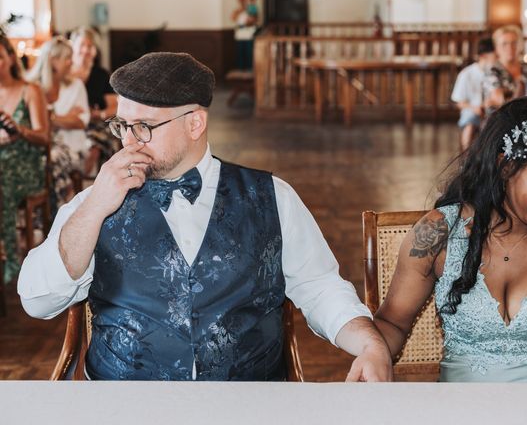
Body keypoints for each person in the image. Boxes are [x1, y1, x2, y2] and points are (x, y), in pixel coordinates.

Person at [18, 52, 392, 382]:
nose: (128, 141)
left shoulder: (271, 197)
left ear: (195, 123)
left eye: (144, 127)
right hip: (125, 406)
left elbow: (321, 288)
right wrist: (95, 208)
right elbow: (38, 301)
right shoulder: (93, 202)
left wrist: (369, 344)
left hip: (247, 407)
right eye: (122, 126)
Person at [374, 97, 527, 382]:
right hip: (461, 411)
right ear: (505, 165)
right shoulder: (438, 233)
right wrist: (370, 353)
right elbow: (392, 323)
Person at [0, 34, 49, 283]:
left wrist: (19, 131)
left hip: (26, 165)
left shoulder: (30, 91)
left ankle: (11, 259)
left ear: (9, 57)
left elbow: (44, 137)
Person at [26, 36, 91, 209]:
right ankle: (46, 211)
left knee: (52, 160)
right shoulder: (32, 87)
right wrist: (66, 118)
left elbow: (82, 121)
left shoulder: (75, 86)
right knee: (37, 161)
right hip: (39, 146)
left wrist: (50, 118)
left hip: (72, 147)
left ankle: (55, 211)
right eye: (67, 58)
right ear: (52, 60)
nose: (72, 62)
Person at [69, 27, 119, 176]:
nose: (85, 50)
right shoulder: (64, 73)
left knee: (94, 143)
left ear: (95, 51)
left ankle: (83, 180)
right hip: (68, 122)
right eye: (82, 45)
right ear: (73, 47)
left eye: (90, 46)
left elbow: (114, 107)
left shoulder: (101, 74)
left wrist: (98, 114)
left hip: (94, 124)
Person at [451, 37, 496, 150]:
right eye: (495, 56)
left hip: (492, 109)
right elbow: (458, 102)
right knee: (470, 122)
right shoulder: (466, 74)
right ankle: (466, 156)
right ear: (483, 56)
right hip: (473, 110)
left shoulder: (497, 73)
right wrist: (474, 108)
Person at [483, 25, 524, 112]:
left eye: (514, 43)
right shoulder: (492, 70)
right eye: (504, 44)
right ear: (497, 48)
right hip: (500, 119)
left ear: (521, 45)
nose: (510, 48)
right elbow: (499, 100)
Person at [231, 0, 258, 70]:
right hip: (240, 33)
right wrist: (240, 10)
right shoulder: (237, 10)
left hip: (248, 32)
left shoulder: (251, 8)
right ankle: (240, 68)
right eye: (239, 0)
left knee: (249, 51)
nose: (241, 1)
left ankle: (250, 68)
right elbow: (233, 18)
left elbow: (255, 19)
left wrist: (250, 20)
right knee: (240, 51)